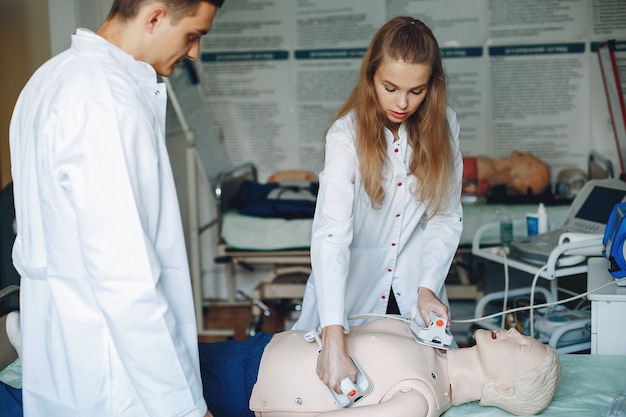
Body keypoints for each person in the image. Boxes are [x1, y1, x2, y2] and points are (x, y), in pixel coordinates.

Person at [8, 1, 224, 416]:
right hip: (117, 374)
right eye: (193, 34)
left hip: (58, 355)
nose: (194, 52)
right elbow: (126, 279)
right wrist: (186, 409)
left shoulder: (47, 79)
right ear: (156, 16)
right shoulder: (108, 101)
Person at [291, 16, 463, 394]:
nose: (402, 103)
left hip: (416, 294)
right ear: (371, 77)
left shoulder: (444, 126)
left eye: (416, 91)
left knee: (419, 390)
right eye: (390, 87)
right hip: (351, 297)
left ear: (431, 87)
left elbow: (445, 216)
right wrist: (333, 335)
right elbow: (331, 235)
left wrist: (427, 286)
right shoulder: (346, 136)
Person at [0, 315, 561, 417]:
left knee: (122, 396)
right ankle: (52, 355)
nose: (514, 331)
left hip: (247, 388)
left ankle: (23, 398)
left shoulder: (418, 398)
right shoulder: (426, 340)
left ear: (506, 383)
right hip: (254, 349)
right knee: (140, 354)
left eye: (522, 344)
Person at [471, 152, 551, 196]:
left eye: (529, 164)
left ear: (518, 180)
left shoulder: (485, 172)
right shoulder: (490, 166)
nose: (529, 154)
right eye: (534, 158)